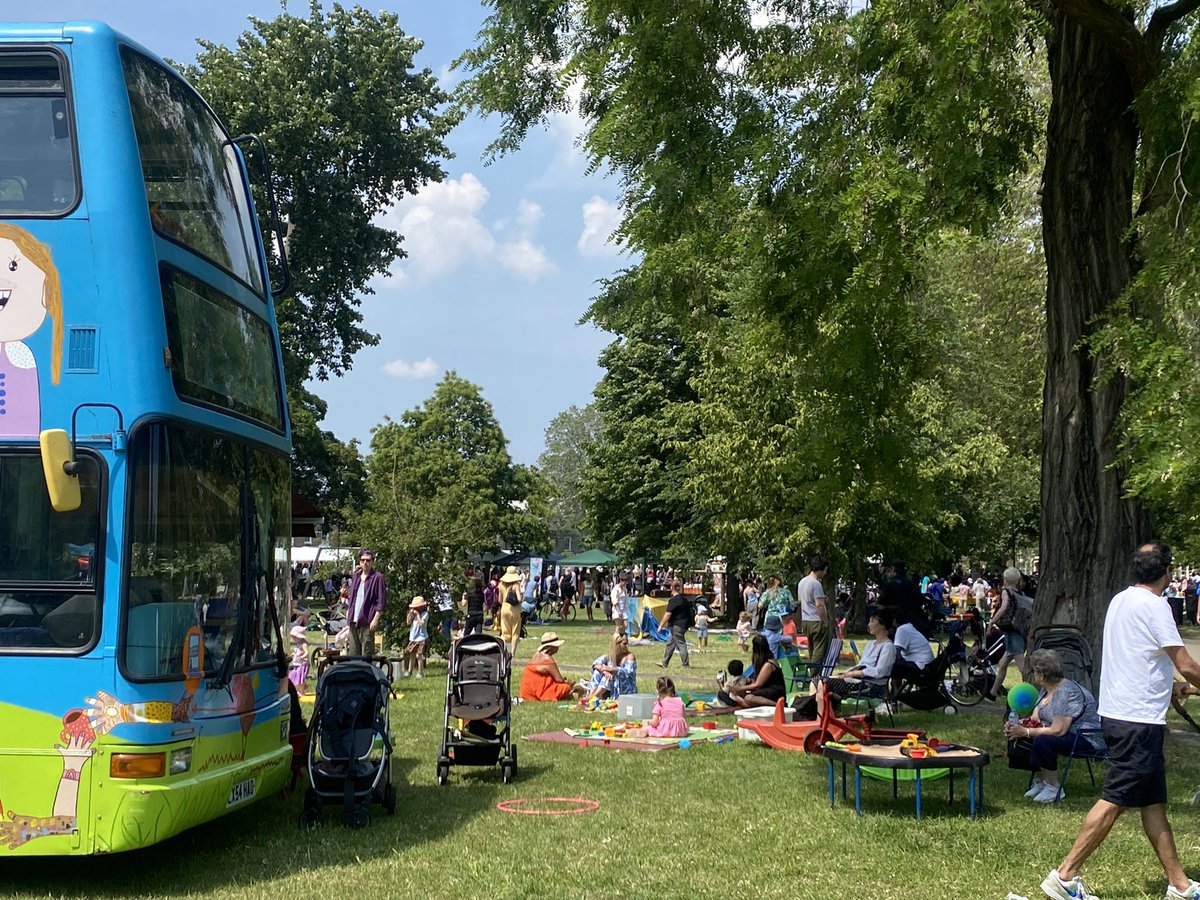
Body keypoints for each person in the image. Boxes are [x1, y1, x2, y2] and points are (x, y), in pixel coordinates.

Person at [1038, 543, 1200, 900]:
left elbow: (1138, 657)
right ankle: (1065, 876)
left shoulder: (1121, 600)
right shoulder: (1157, 606)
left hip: (1122, 714)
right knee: (1115, 799)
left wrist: (1171, 687)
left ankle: (1180, 885)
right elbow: (1186, 663)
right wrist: (1184, 680)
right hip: (1137, 722)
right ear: (1167, 572)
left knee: (1152, 801)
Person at [1004, 648, 1103, 804]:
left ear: (1042, 675)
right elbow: (1036, 718)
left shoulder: (1065, 692)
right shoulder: (1046, 690)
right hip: (1066, 734)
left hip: (1085, 737)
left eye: (1034, 672)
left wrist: (1027, 731)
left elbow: (1058, 730)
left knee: (1042, 740)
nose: (1032, 675)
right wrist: (1018, 726)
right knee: (1024, 735)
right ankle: (1040, 781)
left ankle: (1053, 787)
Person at [825, 611, 896, 704]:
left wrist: (852, 674)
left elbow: (880, 672)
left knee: (824, 683)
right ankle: (820, 712)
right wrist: (846, 673)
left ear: (882, 625)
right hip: (858, 680)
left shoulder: (888, 647)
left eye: (872, 621)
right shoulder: (870, 644)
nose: (869, 625)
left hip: (871, 684)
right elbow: (861, 665)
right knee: (819, 681)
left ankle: (819, 712)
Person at [987, 567, 1034, 701]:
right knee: (1003, 663)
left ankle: (1032, 692)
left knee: (1022, 667)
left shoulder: (1006, 592)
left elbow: (1004, 606)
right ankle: (992, 693)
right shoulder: (1021, 594)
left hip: (1012, 632)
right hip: (1020, 631)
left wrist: (992, 621)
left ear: (1005, 579)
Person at [518, 632, 584, 702]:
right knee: (576, 688)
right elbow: (559, 679)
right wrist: (569, 683)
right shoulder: (547, 659)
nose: (558, 648)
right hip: (541, 691)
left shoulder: (536, 655)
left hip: (528, 691)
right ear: (552, 647)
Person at [728, 634, 787, 708]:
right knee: (738, 697)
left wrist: (740, 688)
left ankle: (778, 706)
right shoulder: (764, 662)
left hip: (775, 692)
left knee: (748, 698)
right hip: (765, 690)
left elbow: (757, 685)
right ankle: (758, 706)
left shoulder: (769, 664)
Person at [346, 549, 386, 657]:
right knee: (353, 652)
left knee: (366, 652)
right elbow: (352, 597)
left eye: (368, 560)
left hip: (367, 619)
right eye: (363, 560)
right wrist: (349, 611)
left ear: (372, 562)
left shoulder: (377, 577)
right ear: (360, 562)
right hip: (353, 619)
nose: (365, 563)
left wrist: (376, 619)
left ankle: (366, 673)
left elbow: (381, 601)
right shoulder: (356, 576)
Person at [797, 556, 832, 665]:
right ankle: (815, 676)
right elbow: (819, 605)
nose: (825, 573)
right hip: (816, 620)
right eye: (825, 570)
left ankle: (812, 674)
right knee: (819, 651)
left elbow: (801, 600)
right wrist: (826, 621)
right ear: (820, 569)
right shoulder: (816, 584)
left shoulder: (802, 582)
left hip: (806, 620)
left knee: (811, 649)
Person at [890, 614, 934, 690]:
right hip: (927, 663)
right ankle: (897, 693)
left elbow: (896, 651)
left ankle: (896, 694)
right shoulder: (909, 627)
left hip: (921, 665)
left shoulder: (902, 629)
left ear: (894, 620)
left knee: (894, 668)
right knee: (896, 666)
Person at [657, 579, 693, 669]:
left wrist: (660, 625)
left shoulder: (673, 600)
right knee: (670, 644)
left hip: (676, 626)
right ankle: (664, 663)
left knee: (681, 644)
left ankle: (686, 664)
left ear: (671, 588)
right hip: (684, 625)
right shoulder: (684, 599)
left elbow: (668, 614)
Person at [497, 566, 524, 658]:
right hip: (515, 610)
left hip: (504, 609)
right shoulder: (516, 585)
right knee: (515, 631)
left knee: (505, 631)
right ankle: (512, 652)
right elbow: (519, 599)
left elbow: (499, 600)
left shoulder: (501, 585)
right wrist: (522, 595)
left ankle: (504, 650)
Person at [403, 596, 429, 678]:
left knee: (419, 655)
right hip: (413, 638)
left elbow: (422, 624)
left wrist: (417, 615)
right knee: (412, 655)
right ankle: (410, 671)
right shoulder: (413, 615)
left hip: (421, 638)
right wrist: (410, 615)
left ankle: (420, 672)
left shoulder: (425, 614)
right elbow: (408, 622)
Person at [288, 608, 309, 689]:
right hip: (297, 663)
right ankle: (303, 687)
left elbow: (307, 652)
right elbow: (297, 651)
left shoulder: (303, 644)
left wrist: (302, 656)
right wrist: (293, 654)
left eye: (295, 637)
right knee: (294, 676)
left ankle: (301, 691)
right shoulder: (298, 644)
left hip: (302, 664)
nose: (294, 639)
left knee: (300, 679)